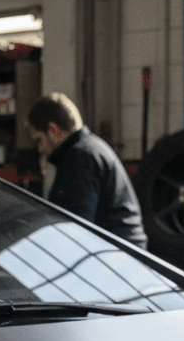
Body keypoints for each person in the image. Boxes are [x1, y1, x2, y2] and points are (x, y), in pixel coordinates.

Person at [27, 93, 148, 248]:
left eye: (39, 140)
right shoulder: (92, 147)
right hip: (125, 252)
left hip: (114, 257)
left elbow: (74, 229)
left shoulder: (79, 157)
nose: (40, 149)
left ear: (53, 130)